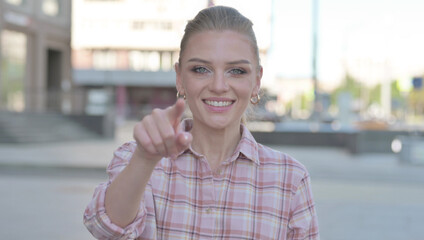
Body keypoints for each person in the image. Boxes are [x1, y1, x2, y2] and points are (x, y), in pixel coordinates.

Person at [84, 5, 319, 240]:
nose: (218, 86)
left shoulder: (290, 179)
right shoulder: (135, 158)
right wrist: (145, 159)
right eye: (201, 69)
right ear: (180, 78)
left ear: (257, 81)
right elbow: (105, 229)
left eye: (236, 71)